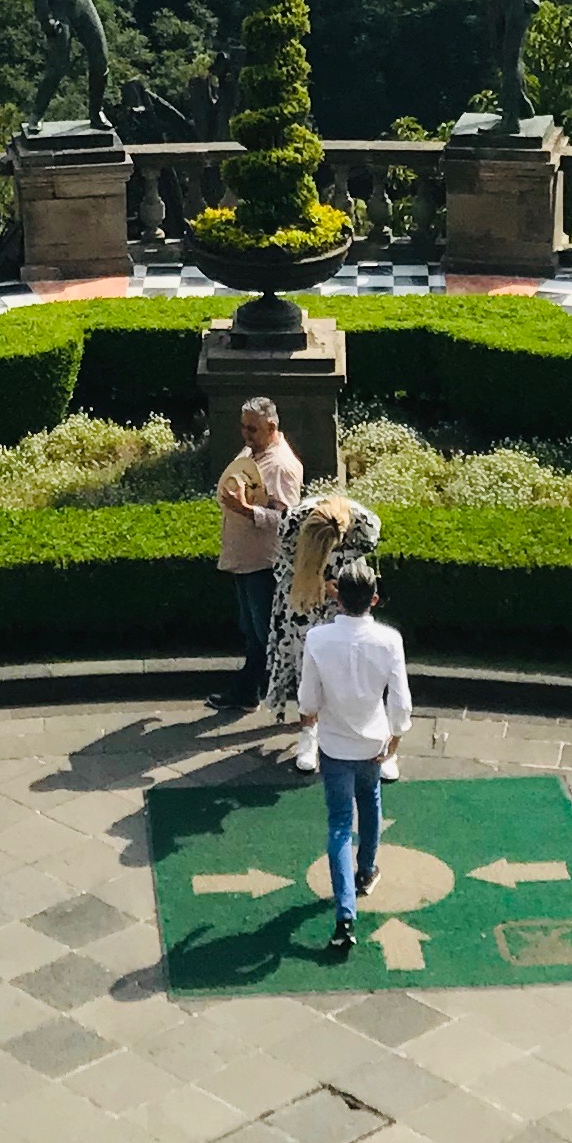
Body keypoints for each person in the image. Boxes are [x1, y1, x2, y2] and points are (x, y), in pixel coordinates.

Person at [298, 555, 409, 955]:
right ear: (374, 599)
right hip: (372, 742)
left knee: (339, 825)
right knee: (371, 802)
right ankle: (367, 871)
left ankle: (345, 914)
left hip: (334, 745)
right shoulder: (390, 640)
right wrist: (395, 739)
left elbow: (308, 700)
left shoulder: (318, 639)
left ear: (337, 597)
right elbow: (400, 701)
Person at [211, 397, 305, 711]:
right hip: (245, 560)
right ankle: (248, 693)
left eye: (252, 429)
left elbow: (287, 519)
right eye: (243, 427)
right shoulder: (253, 451)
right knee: (253, 632)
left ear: (271, 427)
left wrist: (245, 510)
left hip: (263, 565)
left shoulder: (282, 466)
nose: (245, 434)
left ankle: (307, 700)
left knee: (266, 635)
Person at [265, 486, 380, 723]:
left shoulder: (365, 527)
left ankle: (330, 716)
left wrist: (340, 589)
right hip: (302, 589)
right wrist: (316, 582)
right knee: (304, 655)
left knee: (336, 659)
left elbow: (358, 564)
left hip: (340, 597)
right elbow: (286, 564)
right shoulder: (292, 523)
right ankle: (308, 720)